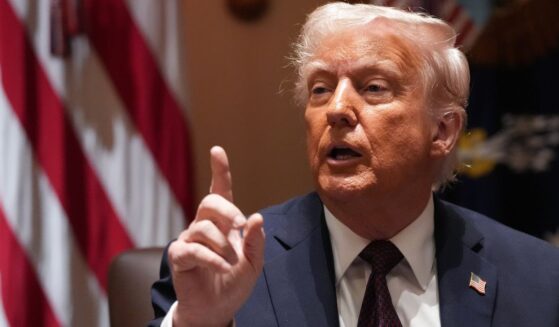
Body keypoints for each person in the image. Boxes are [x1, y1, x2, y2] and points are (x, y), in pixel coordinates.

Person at [149, 3, 559, 327]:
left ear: (442, 131)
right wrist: (198, 323)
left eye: (373, 87)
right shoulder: (225, 266)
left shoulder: (539, 278)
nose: (337, 109)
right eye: (321, 89)